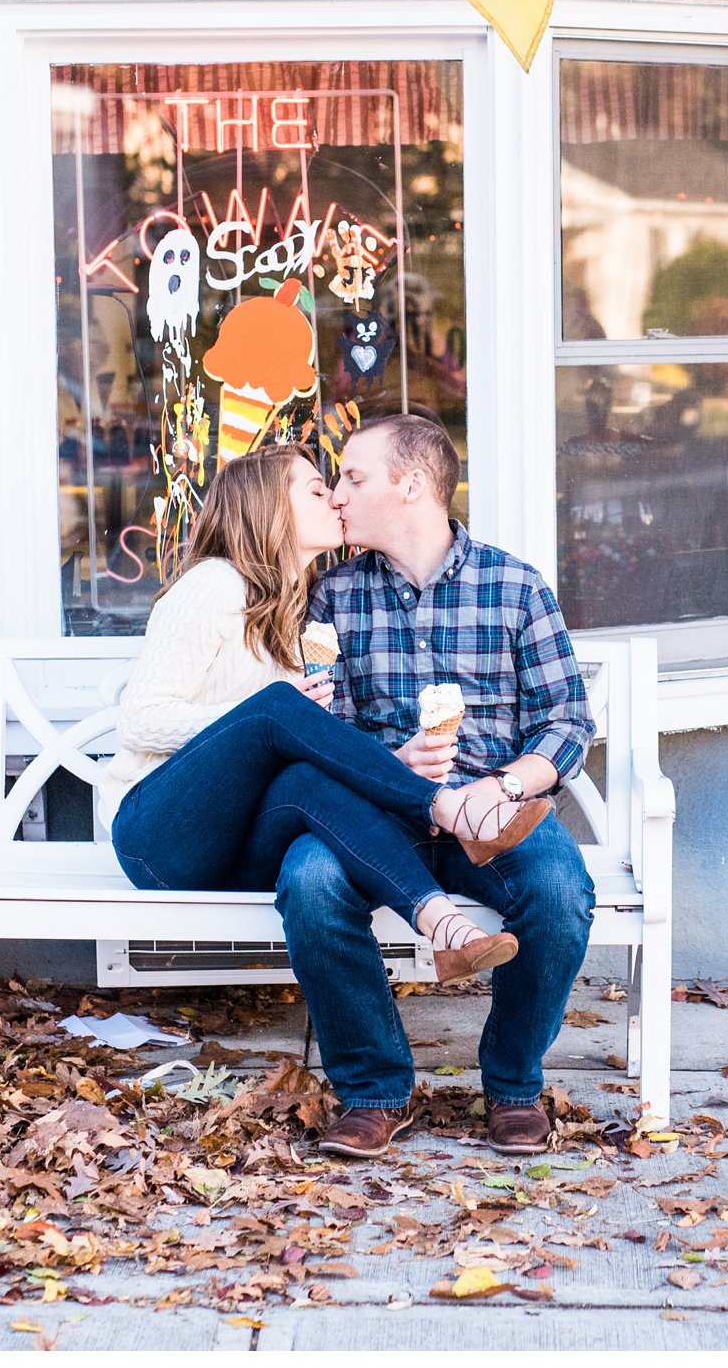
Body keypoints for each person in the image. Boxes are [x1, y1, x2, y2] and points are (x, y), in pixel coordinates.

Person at [101, 442, 545, 982]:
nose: (336, 498)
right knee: (274, 714)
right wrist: (258, 718)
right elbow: (140, 719)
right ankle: (451, 810)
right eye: (316, 490)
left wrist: (331, 736)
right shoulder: (213, 585)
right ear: (268, 507)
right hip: (160, 837)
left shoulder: (298, 610)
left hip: (237, 852)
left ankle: (446, 928)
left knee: (304, 779)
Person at [276, 413, 596, 1161]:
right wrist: (392, 762)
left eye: (353, 477)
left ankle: (513, 1084)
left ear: (410, 484)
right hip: (376, 816)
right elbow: (327, 731)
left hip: (493, 814)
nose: (339, 495)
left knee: (559, 892)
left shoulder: (512, 585)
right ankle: (374, 1092)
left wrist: (508, 783)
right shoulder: (335, 597)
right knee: (310, 882)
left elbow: (567, 718)